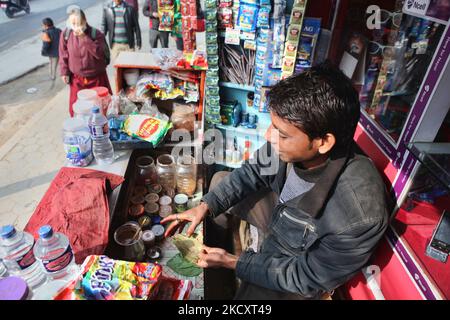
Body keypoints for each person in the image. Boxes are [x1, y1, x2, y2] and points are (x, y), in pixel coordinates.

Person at [162, 62, 390, 300]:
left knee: (249, 297)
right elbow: (252, 172)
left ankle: (226, 272)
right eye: (273, 125)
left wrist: (234, 262)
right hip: (284, 216)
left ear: (323, 142)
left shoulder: (357, 215)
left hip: (298, 258)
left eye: (281, 133)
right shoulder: (294, 144)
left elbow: (306, 277)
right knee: (220, 183)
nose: (268, 135)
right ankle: (215, 272)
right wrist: (205, 205)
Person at [59, 8, 112, 117]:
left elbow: (100, 54)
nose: (76, 26)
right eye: (73, 23)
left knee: (102, 109)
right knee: (77, 111)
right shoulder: (66, 34)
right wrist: (64, 72)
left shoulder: (95, 34)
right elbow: (63, 54)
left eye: (78, 23)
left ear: (84, 20)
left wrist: (84, 38)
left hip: (97, 78)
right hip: (77, 80)